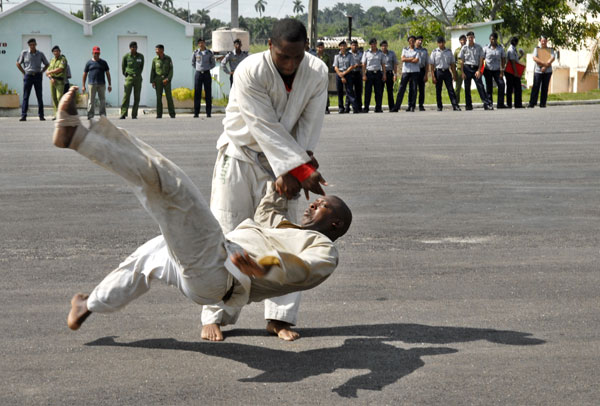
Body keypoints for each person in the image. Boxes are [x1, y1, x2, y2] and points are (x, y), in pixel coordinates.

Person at [51, 87, 351, 334]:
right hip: (208, 262)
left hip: (219, 273)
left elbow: (298, 271)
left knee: (173, 186)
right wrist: (292, 174)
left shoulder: (325, 253)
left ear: (335, 225)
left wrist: (261, 267)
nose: (313, 204)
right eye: (316, 201)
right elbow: (271, 203)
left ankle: (77, 137)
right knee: (141, 262)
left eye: (323, 205)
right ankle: (89, 305)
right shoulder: (282, 228)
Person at [203, 18, 330, 342]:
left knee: (285, 238)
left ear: (306, 50)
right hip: (240, 157)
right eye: (283, 57)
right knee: (227, 233)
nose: (290, 64)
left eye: (297, 57)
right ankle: (216, 314)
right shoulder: (249, 71)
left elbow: (308, 125)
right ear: (270, 46)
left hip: (287, 165)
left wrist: (299, 166)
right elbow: (264, 127)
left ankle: (279, 317)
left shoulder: (316, 71)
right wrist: (298, 170)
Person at [16, 38, 49, 121]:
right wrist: (24, 72)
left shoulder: (40, 54)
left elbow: (47, 64)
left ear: (36, 44)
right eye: (31, 45)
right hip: (28, 76)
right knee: (26, 96)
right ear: (29, 45)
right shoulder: (24, 53)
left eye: (34, 44)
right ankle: (23, 115)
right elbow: (18, 63)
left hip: (37, 76)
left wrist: (42, 71)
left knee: (39, 96)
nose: (32, 46)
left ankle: (41, 115)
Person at [459, 31, 493, 110]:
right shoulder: (464, 48)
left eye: (472, 37)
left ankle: (486, 104)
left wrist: (479, 70)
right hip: (467, 68)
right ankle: (468, 105)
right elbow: (461, 61)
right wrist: (462, 72)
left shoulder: (478, 47)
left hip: (475, 68)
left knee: (480, 86)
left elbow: (481, 60)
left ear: (474, 38)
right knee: (467, 88)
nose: (470, 39)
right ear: (467, 38)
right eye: (469, 37)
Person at [429, 36, 460, 111]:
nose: (441, 44)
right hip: (438, 71)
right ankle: (439, 106)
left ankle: (455, 105)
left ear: (444, 43)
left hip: (446, 71)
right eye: (440, 42)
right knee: (438, 90)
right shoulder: (434, 52)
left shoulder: (449, 52)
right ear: (437, 43)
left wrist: (454, 74)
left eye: (442, 42)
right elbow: (432, 65)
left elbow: (452, 64)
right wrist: (433, 76)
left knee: (451, 89)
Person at [391, 35, 420, 112]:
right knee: (401, 89)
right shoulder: (404, 49)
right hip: (406, 71)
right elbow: (402, 59)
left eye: (413, 40)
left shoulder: (417, 50)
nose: (412, 42)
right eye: (410, 40)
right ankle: (396, 106)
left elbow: (416, 60)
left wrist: (408, 59)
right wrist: (411, 59)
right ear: (408, 41)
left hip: (414, 71)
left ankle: (411, 106)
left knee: (413, 89)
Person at [82, 46, 112, 120]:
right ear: (92, 53)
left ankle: (102, 115)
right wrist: (83, 85)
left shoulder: (103, 62)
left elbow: (108, 73)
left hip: (102, 84)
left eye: (98, 53)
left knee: (102, 100)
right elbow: (85, 74)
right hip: (92, 84)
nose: (96, 55)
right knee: (91, 100)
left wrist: (109, 84)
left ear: (100, 53)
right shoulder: (89, 63)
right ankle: (90, 115)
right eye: (95, 53)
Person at [528, 35, 555, 108]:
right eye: (542, 41)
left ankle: (543, 103)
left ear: (547, 41)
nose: (543, 42)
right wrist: (544, 64)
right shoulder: (537, 49)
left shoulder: (550, 49)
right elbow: (534, 58)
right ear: (540, 41)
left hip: (547, 71)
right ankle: (532, 103)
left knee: (545, 87)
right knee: (535, 87)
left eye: (545, 41)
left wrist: (545, 66)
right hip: (538, 71)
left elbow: (552, 58)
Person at [120, 41, 144, 120]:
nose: (134, 48)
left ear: (137, 47)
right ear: (130, 48)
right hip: (129, 78)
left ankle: (134, 114)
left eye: (135, 47)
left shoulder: (141, 56)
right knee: (126, 96)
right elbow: (123, 67)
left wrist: (137, 74)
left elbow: (141, 67)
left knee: (137, 97)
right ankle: (123, 114)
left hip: (138, 78)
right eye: (132, 47)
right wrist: (127, 75)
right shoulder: (126, 56)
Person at [361, 38, 386, 113]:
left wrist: (384, 74)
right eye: (372, 44)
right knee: (367, 92)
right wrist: (364, 74)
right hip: (369, 73)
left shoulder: (380, 53)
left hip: (378, 73)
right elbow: (363, 64)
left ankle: (378, 107)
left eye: (374, 43)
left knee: (378, 92)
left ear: (376, 44)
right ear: (370, 45)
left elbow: (383, 64)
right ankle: (366, 108)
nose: (373, 45)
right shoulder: (366, 53)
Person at [192, 38, 215, 118]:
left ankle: (208, 112)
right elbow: (193, 63)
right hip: (198, 74)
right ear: (198, 44)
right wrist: (199, 68)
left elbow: (213, 63)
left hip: (206, 74)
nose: (201, 44)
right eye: (200, 43)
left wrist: (206, 68)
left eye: (202, 43)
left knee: (208, 93)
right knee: (197, 93)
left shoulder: (209, 53)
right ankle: (196, 112)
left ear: (205, 43)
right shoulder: (195, 53)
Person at [483, 32, 507, 109]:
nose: (492, 41)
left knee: (501, 84)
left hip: (497, 70)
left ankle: (500, 104)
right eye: (491, 39)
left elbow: (503, 59)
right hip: (488, 70)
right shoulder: (485, 48)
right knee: (489, 87)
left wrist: (502, 70)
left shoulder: (500, 48)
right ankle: (489, 104)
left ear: (496, 40)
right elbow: (482, 59)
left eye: (493, 39)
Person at [151, 44, 175, 119]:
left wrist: (168, 79)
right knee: (158, 98)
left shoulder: (168, 58)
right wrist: (152, 81)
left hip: (166, 80)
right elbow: (153, 71)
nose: (156, 51)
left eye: (157, 49)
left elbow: (171, 70)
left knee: (169, 97)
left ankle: (172, 114)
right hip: (158, 80)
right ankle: (159, 114)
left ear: (162, 50)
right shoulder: (155, 59)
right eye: (155, 50)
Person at [333, 40, 356, 114]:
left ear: (346, 46)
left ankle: (354, 107)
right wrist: (341, 74)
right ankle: (341, 108)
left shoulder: (350, 55)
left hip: (348, 74)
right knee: (339, 92)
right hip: (339, 74)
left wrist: (344, 73)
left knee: (349, 91)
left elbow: (352, 66)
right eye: (341, 46)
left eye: (344, 46)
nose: (342, 47)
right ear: (339, 47)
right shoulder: (336, 56)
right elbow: (335, 67)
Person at [46, 45, 68, 119]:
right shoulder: (52, 60)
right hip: (52, 81)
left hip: (60, 81)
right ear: (53, 52)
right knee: (54, 98)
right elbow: (47, 72)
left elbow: (60, 69)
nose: (56, 52)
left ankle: (62, 113)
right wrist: (50, 78)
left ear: (60, 51)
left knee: (59, 97)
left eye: (57, 51)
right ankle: (56, 115)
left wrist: (50, 72)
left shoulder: (63, 59)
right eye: (54, 51)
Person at [505, 36, 524, 109]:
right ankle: (512, 104)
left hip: (513, 70)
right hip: (511, 71)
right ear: (516, 42)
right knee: (512, 88)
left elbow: (515, 60)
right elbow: (513, 62)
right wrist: (516, 73)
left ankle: (517, 103)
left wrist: (521, 56)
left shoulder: (513, 49)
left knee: (515, 87)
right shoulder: (511, 50)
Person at [345, 40, 363, 113]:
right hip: (350, 73)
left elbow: (363, 63)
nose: (354, 47)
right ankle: (347, 107)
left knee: (358, 91)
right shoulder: (347, 54)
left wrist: (357, 65)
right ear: (350, 46)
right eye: (353, 45)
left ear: (357, 46)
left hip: (358, 73)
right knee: (349, 91)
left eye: (356, 45)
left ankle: (359, 107)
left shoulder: (361, 54)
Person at [380, 40, 398, 112]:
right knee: (380, 91)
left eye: (385, 45)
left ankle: (392, 107)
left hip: (389, 73)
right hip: (381, 73)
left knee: (390, 91)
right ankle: (379, 107)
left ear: (387, 46)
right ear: (381, 47)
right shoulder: (379, 53)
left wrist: (395, 74)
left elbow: (395, 64)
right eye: (383, 46)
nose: (384, 47)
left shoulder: (392, 53)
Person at [315, 41, 332, 114]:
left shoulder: (326, 57)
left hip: (324, 76)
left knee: (325, 92)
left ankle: (326, 107)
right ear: (316, 48)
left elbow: (329, 66)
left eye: (321, 47)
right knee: (316, 93)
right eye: (319, 47)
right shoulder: (313, 56)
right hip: (315, 77)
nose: (320, 49)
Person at [415, 36, 429, 111]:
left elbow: (427, 63)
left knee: (421, 89)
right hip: (414, 71)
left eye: (421, 40)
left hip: (422, 70)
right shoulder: (412, 50)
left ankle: (421, 105)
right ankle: (412, 105)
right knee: (413, 88)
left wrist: (426, 74)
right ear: (415, 41)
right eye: (418, 40)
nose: (420, 42)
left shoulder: (424, 51)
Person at [453, 35, 466, 105]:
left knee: (467, 87)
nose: (463, 41)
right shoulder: (457, 50)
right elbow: (453, 62)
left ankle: (468, 103)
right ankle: (456, 103)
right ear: (460, 41)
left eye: (464, 40)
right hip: (459, 70)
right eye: (462, 40)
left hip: (467, 69)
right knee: (457, 88)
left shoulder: (468, 49)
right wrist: (454, 73)